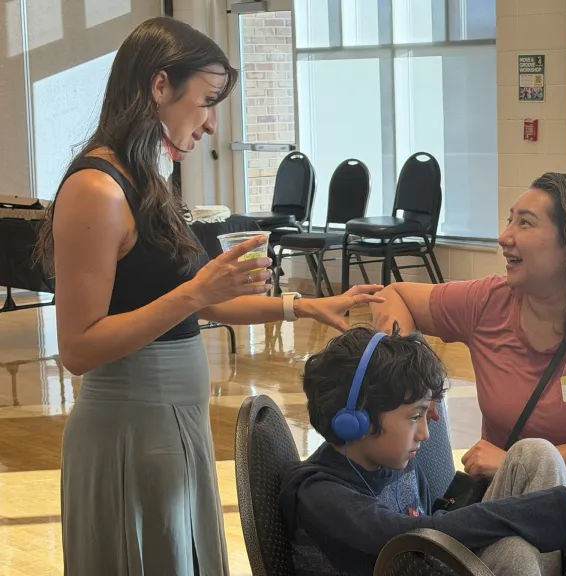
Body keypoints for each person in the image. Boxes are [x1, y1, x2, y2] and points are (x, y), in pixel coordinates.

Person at [32, 17, 383, 576]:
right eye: (208, 101)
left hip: (173, 423)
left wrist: (303, 306)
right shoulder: (97, 188)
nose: (214, 124)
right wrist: (194, 292)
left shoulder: (149, 176)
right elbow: (78, 346)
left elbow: (203, 305)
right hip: (130, 428)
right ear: (160, 86)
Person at [371, 173, 566, 480]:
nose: (504, 237)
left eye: (525, 223)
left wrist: (521, 463)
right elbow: (393, 296)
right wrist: (414, 383)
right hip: (510, 501)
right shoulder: (488, 301)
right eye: (509, 220)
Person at [280, 326, 566, 576]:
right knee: (512, 552)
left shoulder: (387, 458)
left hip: (428, 563)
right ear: (353, 422)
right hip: (421, 555)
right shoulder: (321, 494)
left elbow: (431, 518)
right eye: (415, 416)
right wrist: (563, 503)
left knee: (534, 454)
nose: (425, 431)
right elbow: (412, 535)